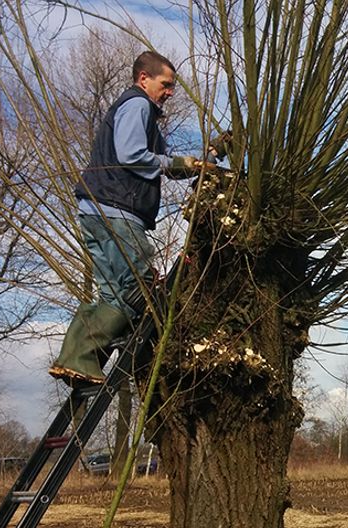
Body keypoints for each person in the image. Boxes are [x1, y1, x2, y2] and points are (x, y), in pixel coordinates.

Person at [49, 51, 222, 384]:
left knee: (115, 295)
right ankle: (80, 355)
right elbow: (132, 155)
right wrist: (173, 164)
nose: (170, 92)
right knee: (138, 291)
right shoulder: (137, 104)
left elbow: (162, 163)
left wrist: (205, 158)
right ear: (144, 78)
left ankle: (78, 361)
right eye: (166, 84)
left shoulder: (139, 112)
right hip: (117, 213)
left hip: (97, 212)